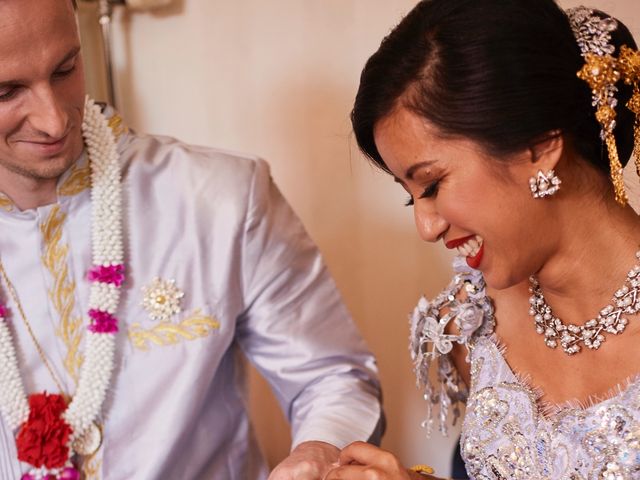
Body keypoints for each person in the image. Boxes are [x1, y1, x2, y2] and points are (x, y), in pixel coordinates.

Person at [0, 1, 384, 479]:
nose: (54, 120)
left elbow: (332, 378)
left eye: (65, 69)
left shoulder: (218, 198)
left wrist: (319, 451)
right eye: (7, 91)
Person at [326, 0, 640, 478]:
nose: (427, 228)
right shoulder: (473, 324)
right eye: (412, 198)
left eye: (431, 185)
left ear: (539, 145)